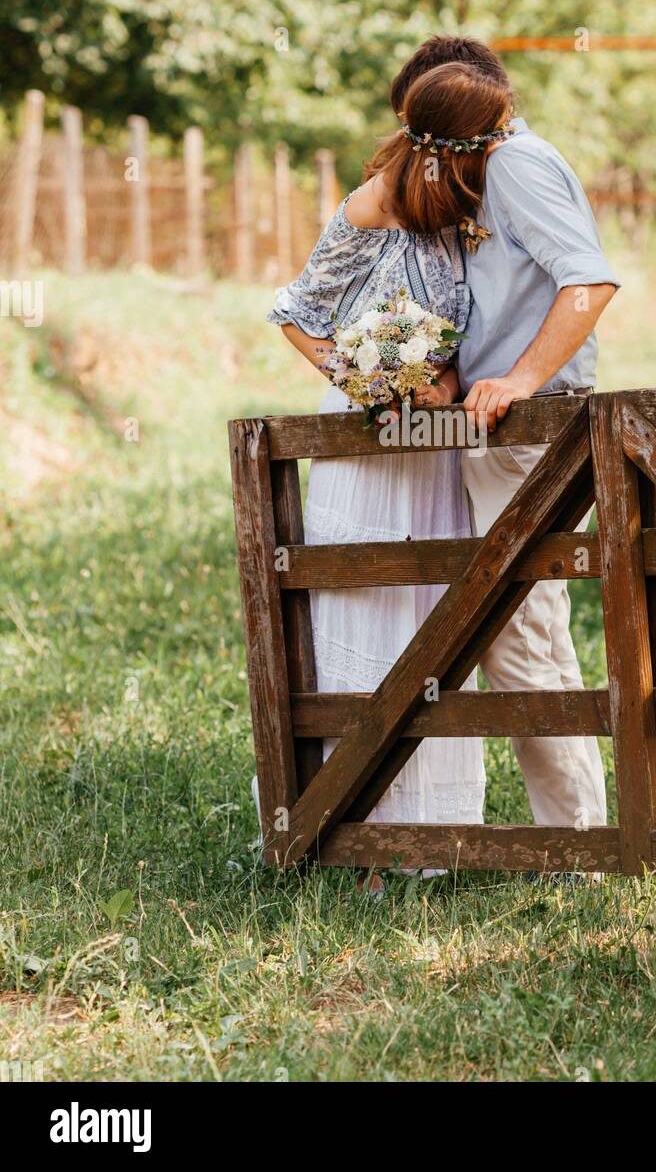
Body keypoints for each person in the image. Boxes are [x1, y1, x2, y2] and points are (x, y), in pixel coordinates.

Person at [263, 59, 521, 854]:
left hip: (437, 454)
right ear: (449, 145)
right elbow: (295, 311)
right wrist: (361, 377)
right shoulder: (372, 205)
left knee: (433, 617)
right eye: (494, 136)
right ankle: (347, 821)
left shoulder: (471, 206)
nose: (504, 147)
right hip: (368, 445)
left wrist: (444, 375)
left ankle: (429, 831)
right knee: (368, 607)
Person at [391, 37, 621, 836]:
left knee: (517, 631)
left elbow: (587, 282)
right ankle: (579, 830)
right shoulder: (493, 168)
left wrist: (520, 379)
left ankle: (577, 841)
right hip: (495, 423)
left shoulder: (517, 165)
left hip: (533, 423)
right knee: (524, 628)